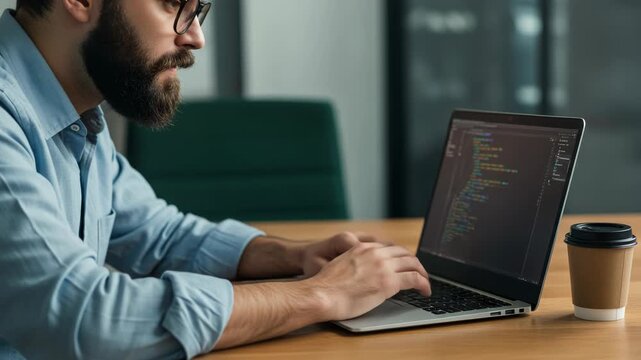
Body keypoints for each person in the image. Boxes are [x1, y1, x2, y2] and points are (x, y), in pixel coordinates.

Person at [0, 0, 431, 359]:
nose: (195, 37)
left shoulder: (77, 115)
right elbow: (87, 318)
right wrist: (321, 294)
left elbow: (158, 235)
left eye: (198, 10)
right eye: (174, 4)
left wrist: (293, 257)